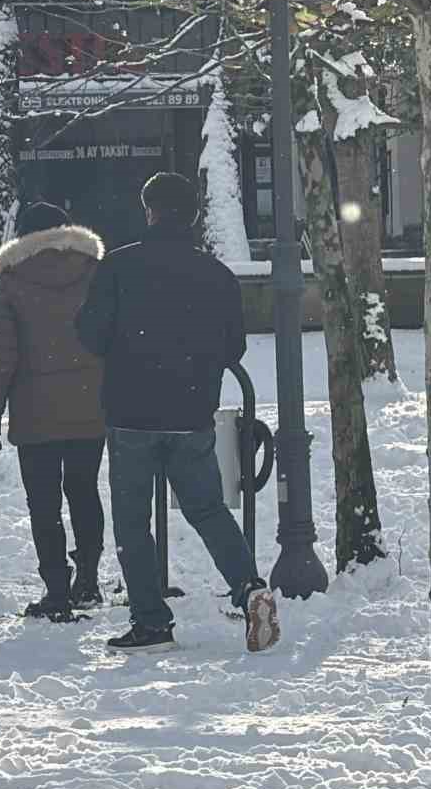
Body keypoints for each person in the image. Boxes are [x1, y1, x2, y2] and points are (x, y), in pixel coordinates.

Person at [75, 173, 280, 654]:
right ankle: (249, 587)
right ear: (194, 215)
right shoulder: (216, 275)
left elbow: (90, 335)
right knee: (207, 509)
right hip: (191, 411)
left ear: (149, 211)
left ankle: (151, 622)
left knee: (132, 522)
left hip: (131, 411)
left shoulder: (119, 267)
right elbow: (234, 345)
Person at [0, 202, 107, 621]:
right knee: (84, 491)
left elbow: (1, 351)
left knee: (44, 502)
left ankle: (56, 587)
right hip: (90, 402)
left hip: (35, 409)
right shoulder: (93, 271)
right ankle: (88, 577)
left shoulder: (13, 279)